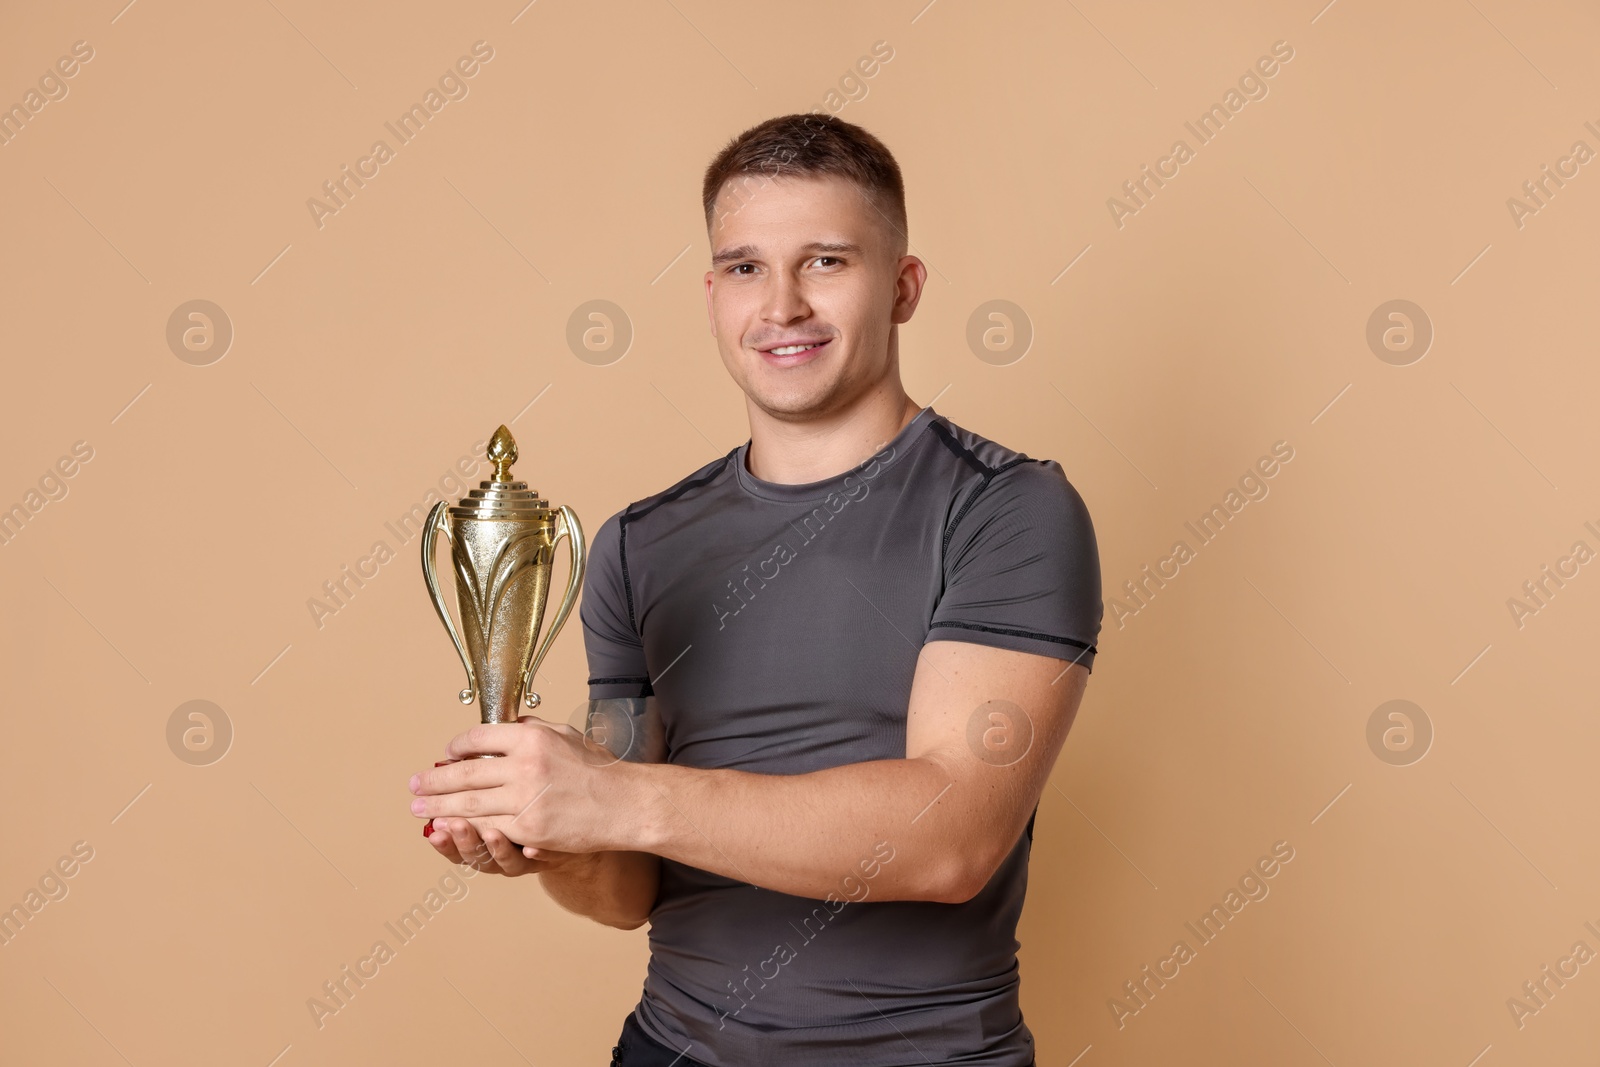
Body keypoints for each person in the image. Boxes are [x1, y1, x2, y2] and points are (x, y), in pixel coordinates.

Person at [410, 112, 1102, 1067]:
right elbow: (627, 892)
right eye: (745, 268)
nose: (780, 305)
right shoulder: (636, 543)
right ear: (710, 295)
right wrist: (551, 832)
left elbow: (953, 837)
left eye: (825, 262)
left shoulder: (1009, 510)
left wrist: (612, 796)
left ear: (903, 288)